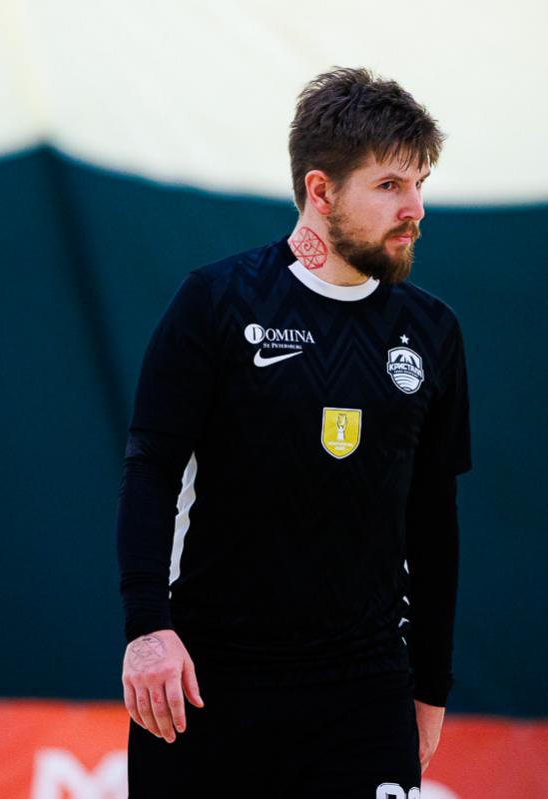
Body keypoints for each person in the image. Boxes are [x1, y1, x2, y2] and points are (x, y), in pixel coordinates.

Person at [116, 67, 471, 797]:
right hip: (209, 684)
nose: (414, 208)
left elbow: (433, 521)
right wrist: (147, 628)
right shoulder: (217, 301)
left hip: (363, 692)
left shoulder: (432, 331)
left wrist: (430, 687)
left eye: (420, 184)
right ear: (320, 190)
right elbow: (150, 471)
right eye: (389, 185)